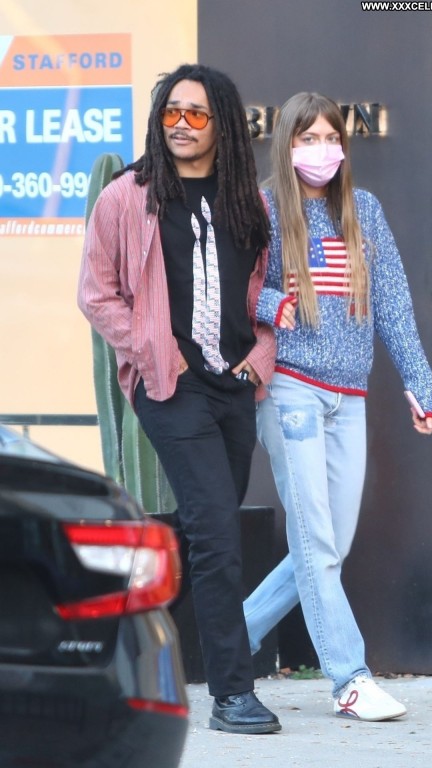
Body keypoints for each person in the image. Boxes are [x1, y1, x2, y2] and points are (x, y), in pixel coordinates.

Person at [77, 63, 282, 735]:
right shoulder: (126, 197)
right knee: (218, 533)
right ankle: (233, 695)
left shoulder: (245, 203)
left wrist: (258, 358)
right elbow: (96, 293)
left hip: (234, 386)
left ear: (222, 124)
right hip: (170, 386)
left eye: (196, 114)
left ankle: (108, 660)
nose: (182, 125)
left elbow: (259, 295)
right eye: (171, 112)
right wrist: (152, 348)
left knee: (202, 536)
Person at [243, 91, 432, 722]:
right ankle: (349, 679)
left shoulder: (365, 211)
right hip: (292, 391)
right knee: (317, 542)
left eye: (331, 138)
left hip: (348, 397)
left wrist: (423, 387)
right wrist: (272, 305)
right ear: (287, 145)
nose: (321, 150)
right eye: (308, 139)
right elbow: (232, 287)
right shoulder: (264, 209)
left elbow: (394, 304)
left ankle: (224, 638)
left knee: (330, 542)